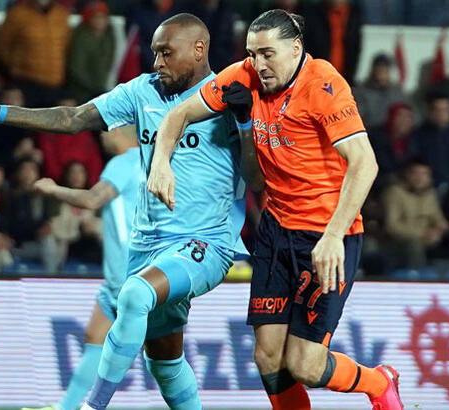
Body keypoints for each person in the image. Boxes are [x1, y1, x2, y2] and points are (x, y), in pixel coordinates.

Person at [0, 13, 248, 410]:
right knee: (164, 361)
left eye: (166, 53)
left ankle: (92, 406)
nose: (157, 62)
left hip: (204, 242)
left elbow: (257, 175)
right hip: (147, 245)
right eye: (155, 53)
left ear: (198, 49)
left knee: (135, 295)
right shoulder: (142, 91)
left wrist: (246, 124)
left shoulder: (229, 96)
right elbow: (73, 118)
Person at [150, 9, 402, 410]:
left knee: (306, 366)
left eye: (268, 54)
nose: (259, 64)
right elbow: (178, 114)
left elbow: (364, 163)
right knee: (267, 357)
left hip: (326, 237)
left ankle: (379, 382)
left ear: (296, 48)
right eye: (252, 54)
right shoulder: (244, 75)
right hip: (275, 229)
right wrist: (161, 163)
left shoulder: (323, 83)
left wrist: (333, 236)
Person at [30, 128, 140, 410]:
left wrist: (53, 189)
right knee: (95, 337)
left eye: (106, 128)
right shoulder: (149, 162)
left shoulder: (123, 163)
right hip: (126, 275)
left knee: (161, 356)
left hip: (130, 276)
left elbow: (92, 200)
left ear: (120, 131)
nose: (101, 135)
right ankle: (66, 407)